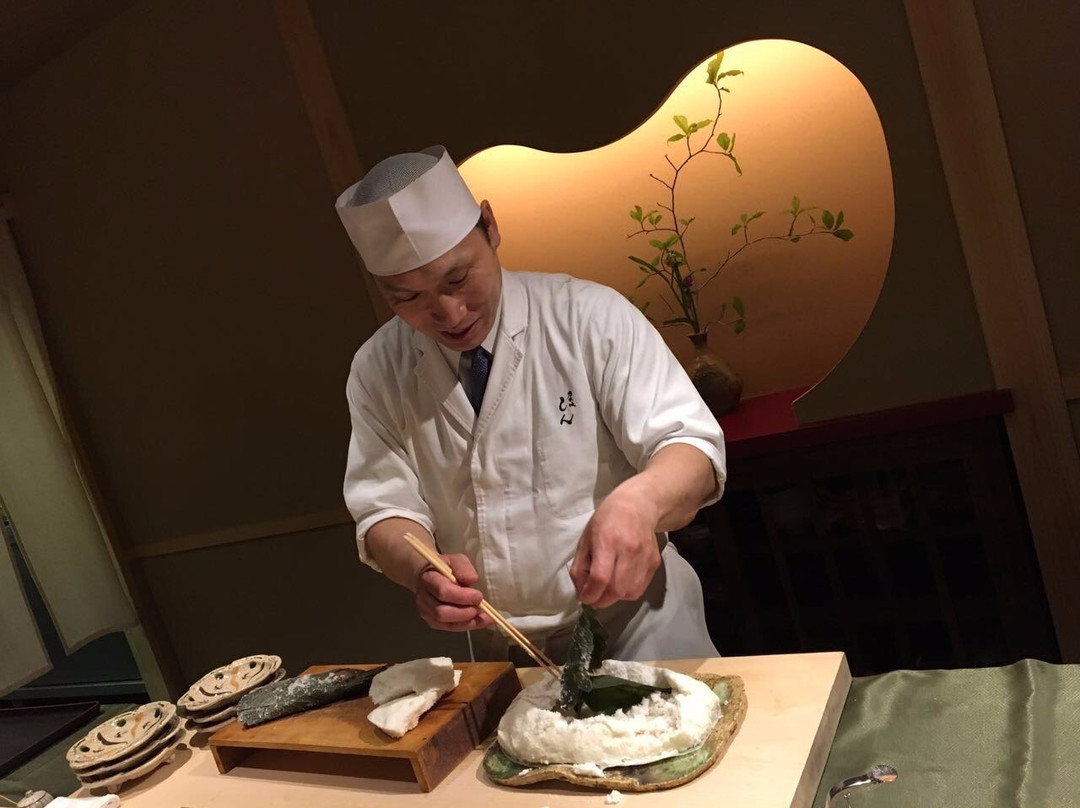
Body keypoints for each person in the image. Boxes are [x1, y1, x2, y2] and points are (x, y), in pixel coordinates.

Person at [337, 145, 725, 662]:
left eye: (458, 278)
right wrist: (421, 571)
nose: (449, 313)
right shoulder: (378, 368)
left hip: (638, 626)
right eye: (407, 297)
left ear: (490, 227)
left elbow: (691, 449)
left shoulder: (587, 317)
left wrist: (640, 502)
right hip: (503, 645)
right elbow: (384, 509)